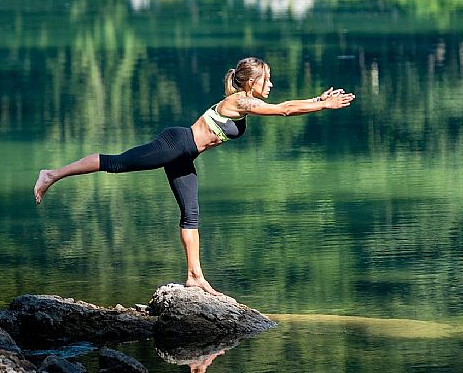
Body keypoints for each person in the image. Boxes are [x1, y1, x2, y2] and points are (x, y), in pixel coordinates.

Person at [33, 57, 355, 296]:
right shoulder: (241, 101)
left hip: (185, 154)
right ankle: (52, 174)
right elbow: (284, 110)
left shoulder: (244, 100)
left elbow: (285, 105)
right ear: (250, 83)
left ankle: (194, 277)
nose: (270, 85)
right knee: (117, 163)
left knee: (191, 214)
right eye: (266, 80)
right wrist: (322, 106)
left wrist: (317, 100)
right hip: (175, 144)